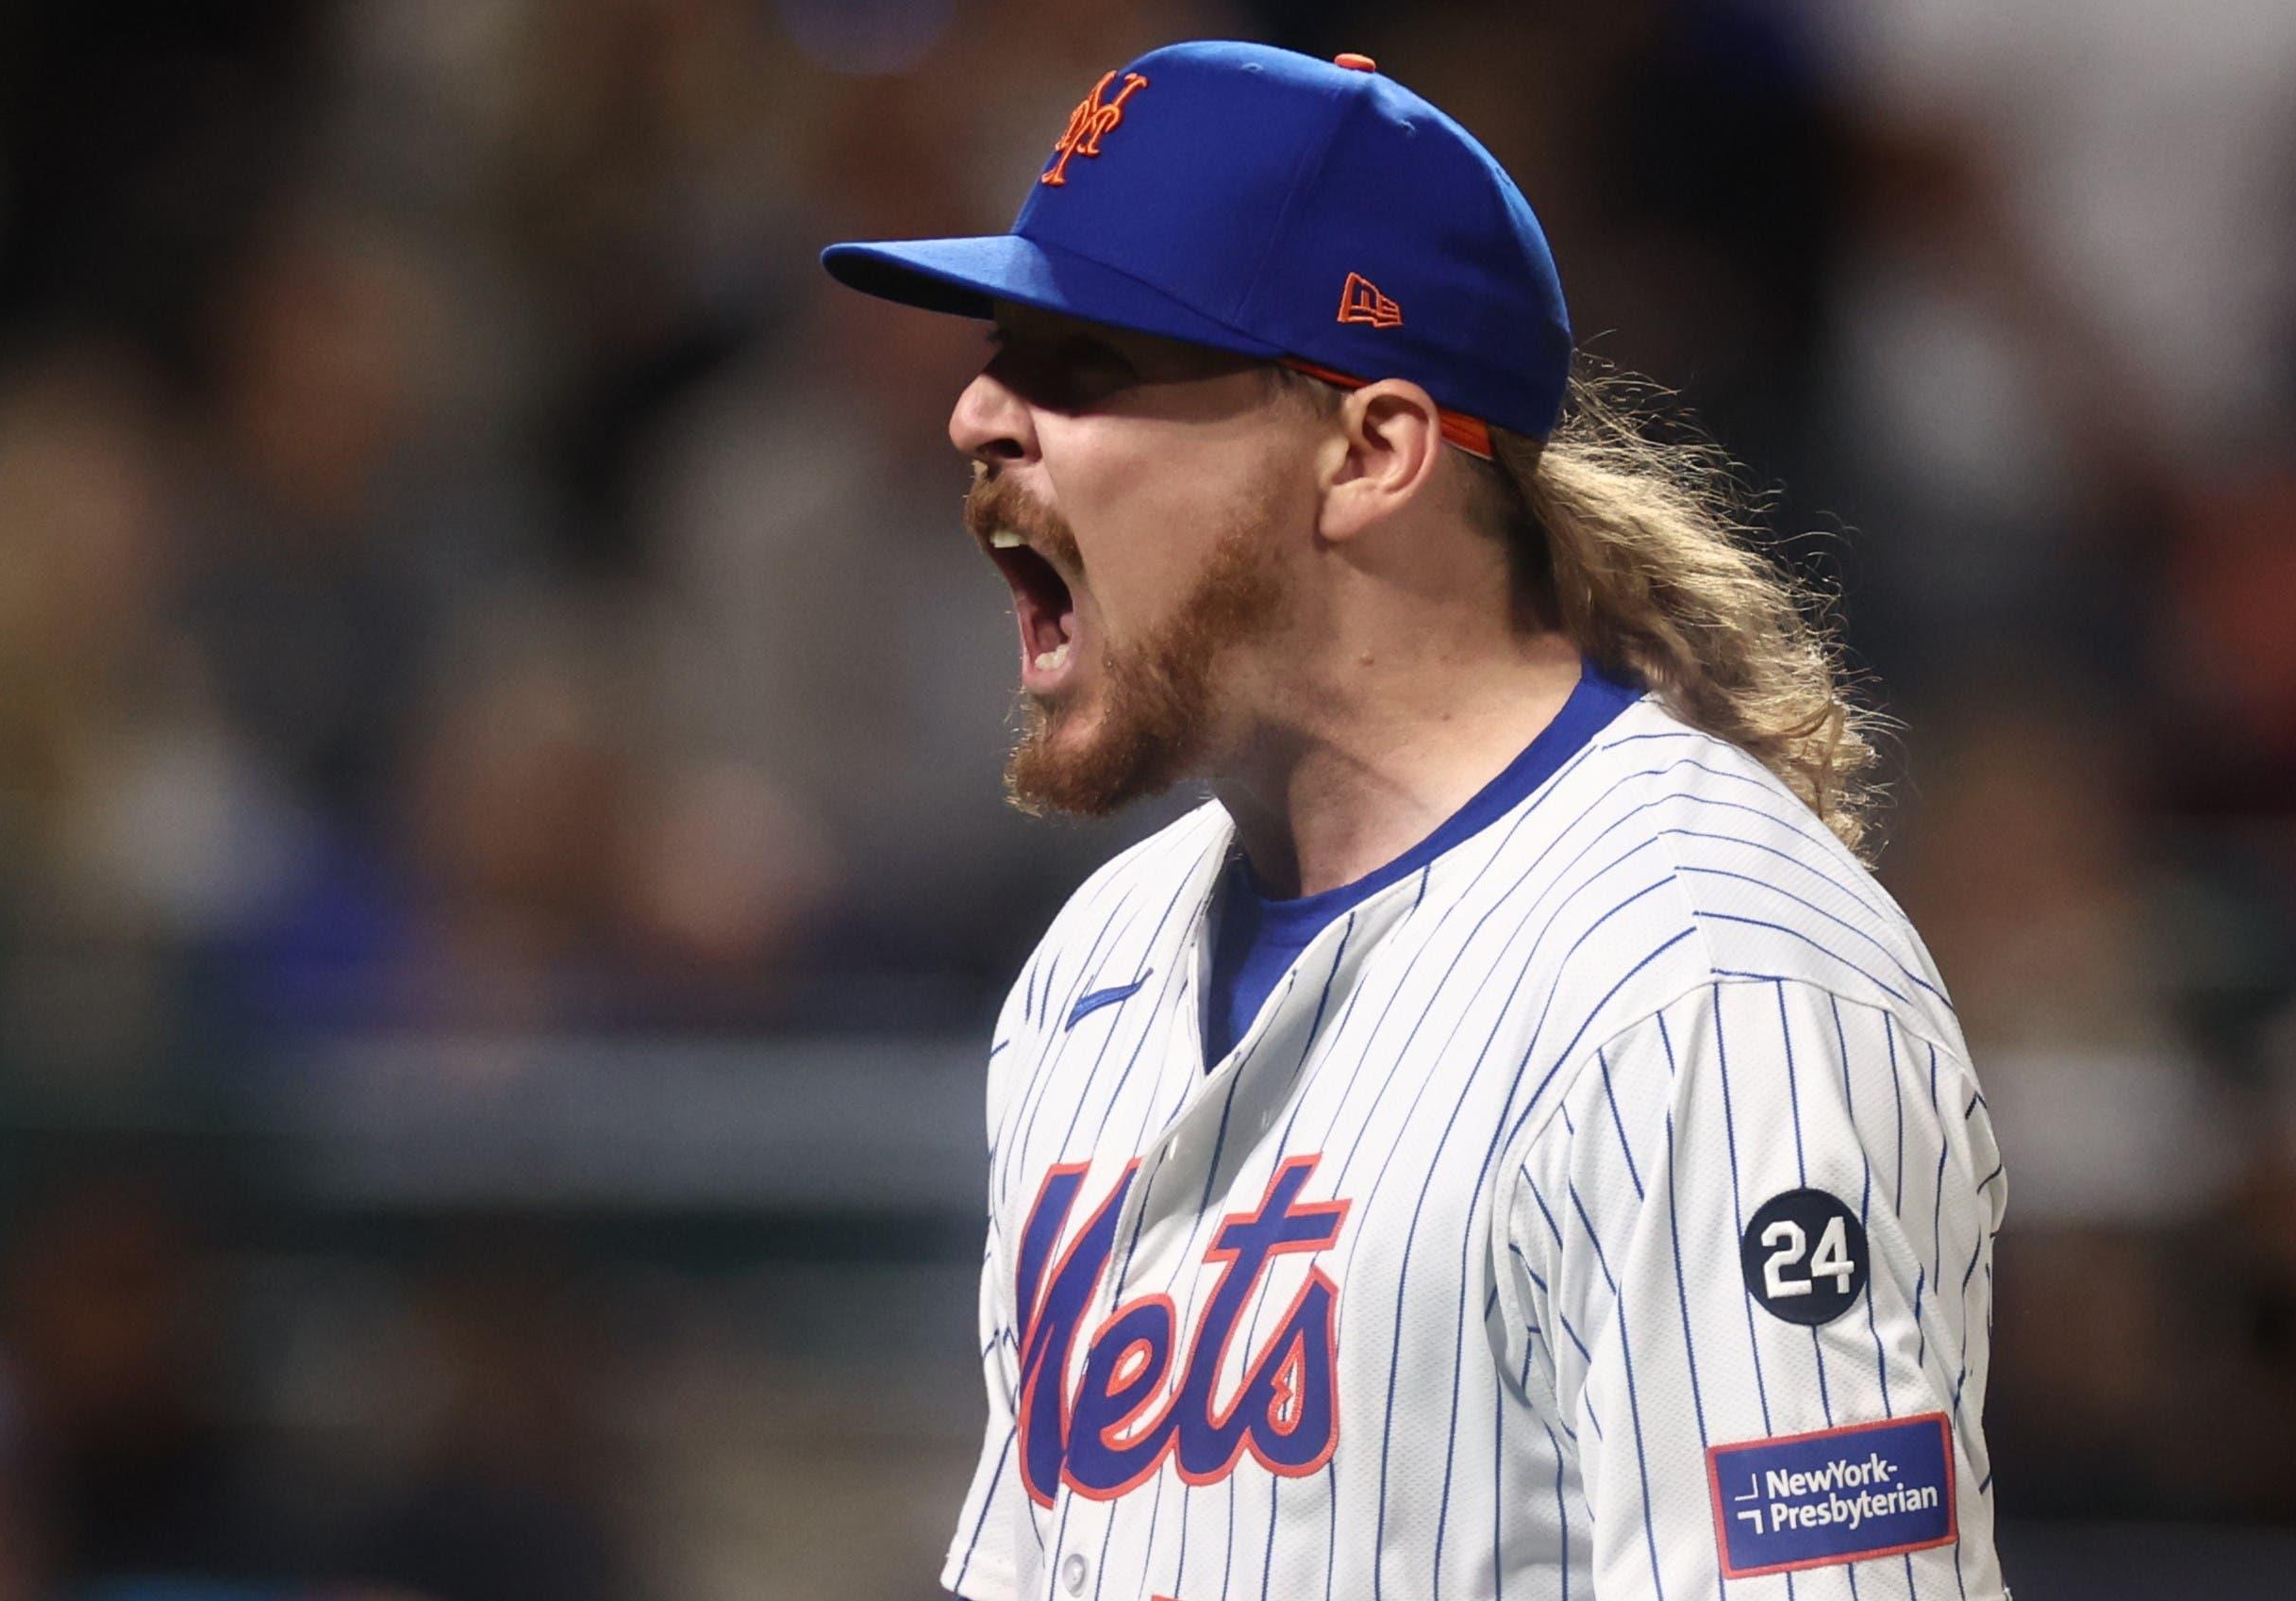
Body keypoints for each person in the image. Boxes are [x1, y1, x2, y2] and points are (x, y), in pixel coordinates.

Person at [820, 40, 2005, 1600]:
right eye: (998, 350)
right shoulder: (1098, 960)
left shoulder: (1706, 978)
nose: (978, 409)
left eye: (1080, 360)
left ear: (1371, 450)